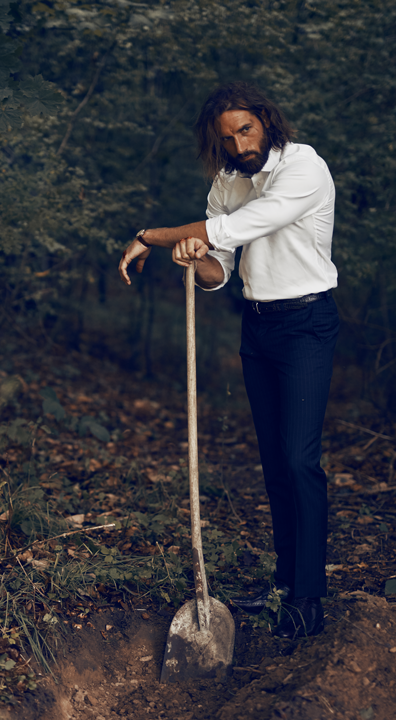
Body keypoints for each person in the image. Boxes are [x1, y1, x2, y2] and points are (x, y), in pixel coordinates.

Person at [118, 81, 339, 640]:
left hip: (307, 324)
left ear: (266, 120)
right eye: (229, 137)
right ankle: (284, 585)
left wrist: (151, 235)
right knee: (273, 464)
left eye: (247, 129)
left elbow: (235, 228)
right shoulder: (226, 182)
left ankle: (310, 598)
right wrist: (193, 257)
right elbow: (219, 264)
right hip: (258, 325)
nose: (241, 144)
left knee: (299, 460)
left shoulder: (303, 169)